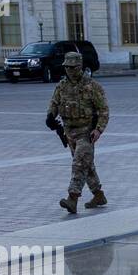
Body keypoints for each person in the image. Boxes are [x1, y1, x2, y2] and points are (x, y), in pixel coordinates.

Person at [46, 51, 109, 214]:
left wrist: (99, 129)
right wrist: (50, 116)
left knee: (79, 164)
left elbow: (103, 110)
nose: (69, 70)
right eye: (67, 67)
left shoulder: (92, 86)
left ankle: (72, 198)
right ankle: (98, 195)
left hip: (86, 132)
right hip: (69, 132)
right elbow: (54, 103)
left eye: (73, 67)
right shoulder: (62, 86)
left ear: (80, 67)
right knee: (86, 165)